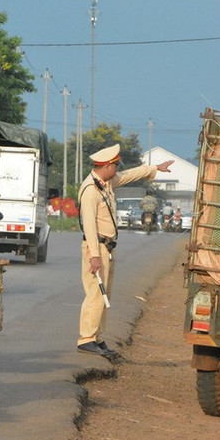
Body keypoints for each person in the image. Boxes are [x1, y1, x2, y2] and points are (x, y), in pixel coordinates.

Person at [76, 144, 174, 356]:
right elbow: (89, 226)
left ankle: (96, 336)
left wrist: (155, 168)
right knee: (95, 292)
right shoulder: (90, 190)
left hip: (107, 247)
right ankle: (86, 338)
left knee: (104, 293)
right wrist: (94, 256)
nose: (118, 169)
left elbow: (130, 175)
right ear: (107, 166)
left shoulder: (106, 183)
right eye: (116, 165)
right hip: (97, 247)